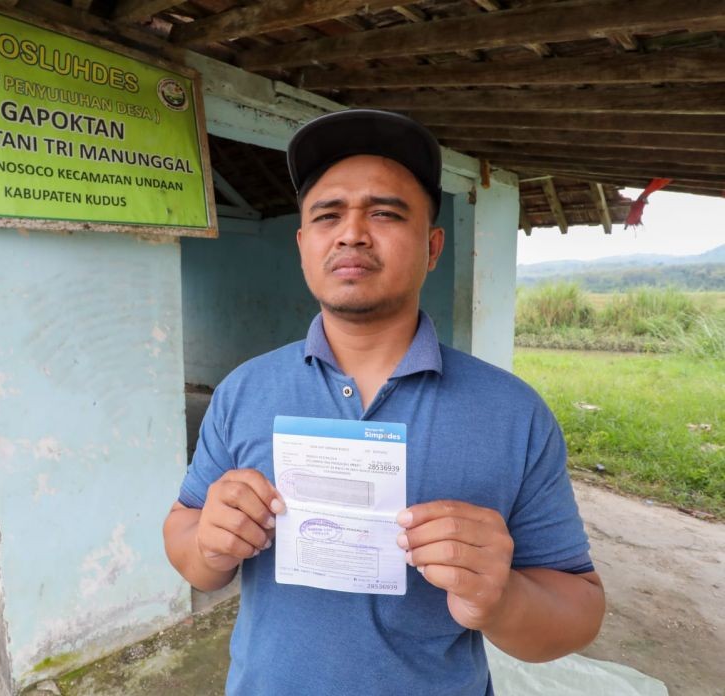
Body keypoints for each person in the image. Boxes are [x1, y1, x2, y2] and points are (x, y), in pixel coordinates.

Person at [163, 109, 604, 695]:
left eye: (385, 213)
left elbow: (579, 609)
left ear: (432, 246)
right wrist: (208, 543)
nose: (351, 233)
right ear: (303, 246)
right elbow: (185, 537)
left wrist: (502, 598)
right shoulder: (244, 390)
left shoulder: (513, 413)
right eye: (328, 215)